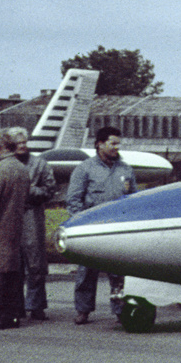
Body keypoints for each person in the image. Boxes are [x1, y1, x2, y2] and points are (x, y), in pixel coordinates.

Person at [67, 126, 135, 324]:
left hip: (118, 229)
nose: (117, 147)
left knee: (119, 274)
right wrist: (81, 226)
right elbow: (73, 200)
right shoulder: (84, 169)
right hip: (92, 230)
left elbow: (133, 198)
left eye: (118, 143)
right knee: (87, 273)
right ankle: (83, 310)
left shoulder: (126, 168)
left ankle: (120, 310)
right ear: (99, 144)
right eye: (113, 143)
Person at [0, 129, 31, 329]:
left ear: (2, 147)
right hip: (13, 230)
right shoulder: (21, 169)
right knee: (11, 275)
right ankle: (11, 316)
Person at [10, 128, 56, 320]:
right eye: (18, 142)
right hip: (10, 216)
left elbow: (50, 190)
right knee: (13, 264)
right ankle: (16, 307)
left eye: (24, 142)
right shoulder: (6, 164)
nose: (22, 146)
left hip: (31, 214)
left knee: (35, 263)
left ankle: (36, 305)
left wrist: (30, 190)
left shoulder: (40, 164)